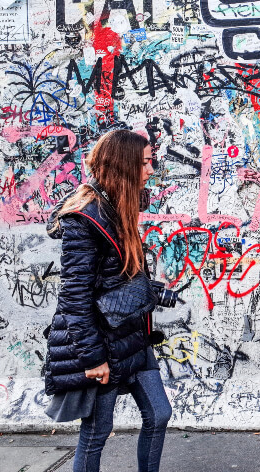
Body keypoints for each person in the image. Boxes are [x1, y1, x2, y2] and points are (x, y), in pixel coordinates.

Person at [44, 129, 171, 472]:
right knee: (97, 431)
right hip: (102, 343)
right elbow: (74, 298)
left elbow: (117, 276)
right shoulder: (84, 218)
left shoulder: (120, 206)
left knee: (159, 414)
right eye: (146, 163)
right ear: (127, 165)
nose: (151, 170)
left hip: (131, 336)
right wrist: (93, 358)